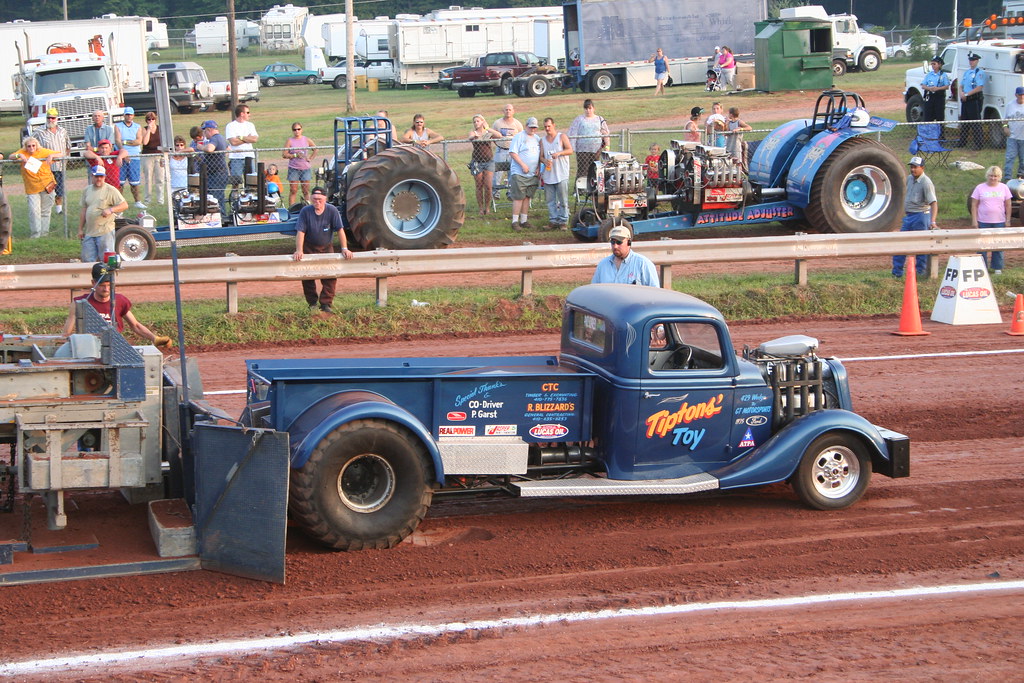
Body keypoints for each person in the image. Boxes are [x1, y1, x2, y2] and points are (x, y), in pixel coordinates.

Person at [62, 262, 171, 347]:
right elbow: (67, 332)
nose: (106, 289)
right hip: (90, 347)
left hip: (115, 347)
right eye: (102, 285)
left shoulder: (120, 301)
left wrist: (154, 338)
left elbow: (135, 325)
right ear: (93, 283)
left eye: (109, 285)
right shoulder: (80, 303)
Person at [292, 187, 353, 314]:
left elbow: (340, 230)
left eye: (320, 199)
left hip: (326, 248)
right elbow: (300, 231)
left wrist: (344, 248)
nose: (317, 202)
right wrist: (299, 250)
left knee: (330, 276)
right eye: (314, 199)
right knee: (307, 277)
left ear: (325, 199)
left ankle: (326, 303)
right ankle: (312, 304)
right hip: (309, 247)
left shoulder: (332, 211)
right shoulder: (305, 211)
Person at [892, 156, 938, 278]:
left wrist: (932, 221)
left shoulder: (926, 183)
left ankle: (920, 272)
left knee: (921, 245)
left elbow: (933, 202)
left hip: (921, 216)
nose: (913, 170)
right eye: (911, 167)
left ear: (922, 168)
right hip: (909, 215)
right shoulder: (909, 179)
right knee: (901, 244)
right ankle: (897, 272)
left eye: (915, 167)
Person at [10, 136, 59, 239]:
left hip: (47, 184)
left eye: (33, 145)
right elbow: (11, 156)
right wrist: (20, 155)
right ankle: (36, 235)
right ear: (25, 147)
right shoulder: (23, 152)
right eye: (29, 146)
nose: (31, 148)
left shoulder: (43, 151)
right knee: (34, 211)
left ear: (37, 145)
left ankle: (44, 235)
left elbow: (61, 154)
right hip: (32, 187)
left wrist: (51, 155)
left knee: (46, 211)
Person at [78, 165, 128, 262]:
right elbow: (84, 210)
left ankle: (109, 277)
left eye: (101, 176)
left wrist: (110, 210)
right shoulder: (87, 190)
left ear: (104, 177)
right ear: (92, 176)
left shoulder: (110, 190)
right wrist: (80, 229)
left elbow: (124, 205)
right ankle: (92, 277)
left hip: (105, 232)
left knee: (107, 261)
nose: (99, 179)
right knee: (87, 261)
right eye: (96, 176)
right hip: (89, 232)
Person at [969, 165, 1011, 275]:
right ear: (987, 176)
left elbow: (1008, 204)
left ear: (999, 177)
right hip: (983, 220)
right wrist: (974, 220)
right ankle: (982, 267)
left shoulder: (1004, 188)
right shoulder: (980, 188)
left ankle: (997, 267)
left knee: (998, 244)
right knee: (982, 245)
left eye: (996, 176)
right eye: (991, 176)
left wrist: (1008, 220)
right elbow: (974, 205)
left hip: (999, 221)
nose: (993, 178)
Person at [592, 225, 659, 287]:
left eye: (619, 242)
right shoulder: (603, 265)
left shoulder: (643, 264)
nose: (615, 246)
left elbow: (655, 293)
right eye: (613, 242)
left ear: (629, 242)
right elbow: (594, 291)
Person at [508, 116, 542, 231]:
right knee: (518, 197)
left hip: (532, 174)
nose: (533, 129)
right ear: (526, 126)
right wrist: (522, 165)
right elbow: (513, 152)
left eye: (535, 127)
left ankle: (524, 220)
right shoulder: (519, 137)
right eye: (531, 127)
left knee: (527, 197)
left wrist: (538, 167)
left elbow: (539, 156)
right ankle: (514, 221)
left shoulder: (537, 138)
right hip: (519, 173)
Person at [35, 108, 70, 215]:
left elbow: (68, 146)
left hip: (60, 166)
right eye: (48, 118)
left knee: (59, 188)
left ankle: (59, 209)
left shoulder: (63, 131)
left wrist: (65, 158)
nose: (50, 120)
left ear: (57, 118)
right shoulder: (39, 132)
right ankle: (46, 209)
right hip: (46, 168)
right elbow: (31, 145)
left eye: (53, 118)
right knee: (47, 189)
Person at [540, 117, 573, 230]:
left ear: (554, 125)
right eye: (545, 127)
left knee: (563, 199)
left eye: (549, 126)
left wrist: (559, 153)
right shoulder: (543, 140)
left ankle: (563, 220)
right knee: (550, 200)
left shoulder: (561, 137)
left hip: (561, 173)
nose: (547, 128)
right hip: (549, 174)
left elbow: (570, 150)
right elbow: (541, 156)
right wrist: (545, 161)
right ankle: (553, 220)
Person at [567, 99, 609, 181]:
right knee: (582, 170)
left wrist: (607, 146)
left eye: (590, 108)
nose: (588, 110)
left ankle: (592, 189)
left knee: (594, 169)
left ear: (593, 108)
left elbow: (605, 133)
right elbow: (573, 133)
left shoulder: (599, 119)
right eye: (586, 108)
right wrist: (572, 147)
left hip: (596, 149)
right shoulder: (579, 119)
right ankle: (579, 190)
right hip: (582, 150)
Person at [467, 113, 500, 215]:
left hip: (488, 162)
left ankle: (487, 208)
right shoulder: (473, 132)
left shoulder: (487, 133)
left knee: (488, 186)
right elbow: (471, 137)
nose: (476, 123)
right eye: (474, 122)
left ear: (482, 122)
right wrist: (475, 136)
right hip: (477, 162)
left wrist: (488, 128)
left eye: (478, 121)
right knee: (479, 186)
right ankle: (481, 208)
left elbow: (499, 136)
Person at [114, 106, 145, 208]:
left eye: (130, 114)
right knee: (120, 182)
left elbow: (138, 141)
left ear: (133, 115)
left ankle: (137, 201)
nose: (128, 116)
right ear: (124, 115)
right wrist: (124, 152)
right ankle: (119, 202)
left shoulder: (137, 126)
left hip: (134, 156)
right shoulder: (118, 126)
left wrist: (126, 141)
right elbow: (118, 140)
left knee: (134, 182)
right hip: (121, 156)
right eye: (127, 114)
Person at [225, 104, 259, 188]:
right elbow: (233, 142)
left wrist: (241, 137)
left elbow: (254, 139)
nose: (249, 114)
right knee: (235, 183)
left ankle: (250, 199)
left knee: (252, 182)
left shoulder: (250, 125)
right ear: (241, 114)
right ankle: (235, 199)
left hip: (249, 157)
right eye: (247, 112)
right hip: (236, 158)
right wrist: (247, 138)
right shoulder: (230, 126)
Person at [491, 103, 523, 192]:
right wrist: (498, 144)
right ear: (503, 111)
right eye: (506, 109)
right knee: (497, 173)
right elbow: (492, 136)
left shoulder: (517, 124)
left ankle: (510, 192)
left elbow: (521, 138)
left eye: (510, 110)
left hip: (513, 152)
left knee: (512, 172)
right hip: (500, 151)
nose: (508, 111)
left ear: (513, 111)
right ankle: (495, 192)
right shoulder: (497, 123)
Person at [198, 120, 229, 211]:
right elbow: (228, 149)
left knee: (215, 198)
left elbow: (209, 149)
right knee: (219, 196)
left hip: (217, 173)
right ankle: (221, 216)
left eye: (204, 131)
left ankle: (220, 217)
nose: (204, 133)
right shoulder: (221, 138)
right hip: (220, 171)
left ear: (209, 129)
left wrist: (201, 147)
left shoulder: (214, 138)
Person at [283, 122, 316, 205]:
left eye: (298, 129)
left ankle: (308, 206)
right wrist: (294, 155)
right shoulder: (290, 141)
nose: (297, 131)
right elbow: (284, 154)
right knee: (293, 190)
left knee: (306, 190)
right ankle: (291, 209)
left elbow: (315, 148)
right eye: (295, 130)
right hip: (294, 168)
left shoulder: (306, 139)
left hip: (305, 168)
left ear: (301, 130)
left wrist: (310, 158)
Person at [959, 53, 986, 150]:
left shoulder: (979, 72)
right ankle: (962, 142)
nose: (971, 62)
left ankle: (978, 144)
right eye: (970, 60)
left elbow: (979, 87)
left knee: (975, 122)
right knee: (964, 121)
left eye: (973, 60)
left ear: (977, 61)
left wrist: (967, 94)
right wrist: (961, 93)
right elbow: (961, 85)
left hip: (974, 99)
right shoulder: (967, 72)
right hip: (965, 99)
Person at [140, 111, 164, 206]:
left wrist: (163, 156)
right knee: (148, 178)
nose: (151, 120)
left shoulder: (160, 129)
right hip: (147, 156)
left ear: (155, 119)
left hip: (159, 155)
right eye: (149, 119)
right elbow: (145, 142)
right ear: (146, 120)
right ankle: (147, 200)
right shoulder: (144, 129)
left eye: (153, 119)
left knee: (160, 179)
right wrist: (149, 130)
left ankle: (160, 200)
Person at [1003, 86, 1024, 181]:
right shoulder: (1010, 105)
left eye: (1023, 95)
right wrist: (1005, 128)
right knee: (1010, 157)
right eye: (1020, 95)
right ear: (1016, 95)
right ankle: (1007, 178)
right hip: (1012, 136)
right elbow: (1005, 120)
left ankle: (1021, 176)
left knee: (1023, 159)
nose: (1022, 96)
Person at [921, 56, 950, 123]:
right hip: (930, 97)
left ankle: (940, 132)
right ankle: (929, 132)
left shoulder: (943, 75)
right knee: (928, 116)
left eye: (934, 64)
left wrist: (938, 88)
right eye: (932, 64)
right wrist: (929, 88)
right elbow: (923, 85)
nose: (933, 66)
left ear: (939, 65)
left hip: (939, 97)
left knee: (939, 116)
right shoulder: (929, 74)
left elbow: (947, 86)